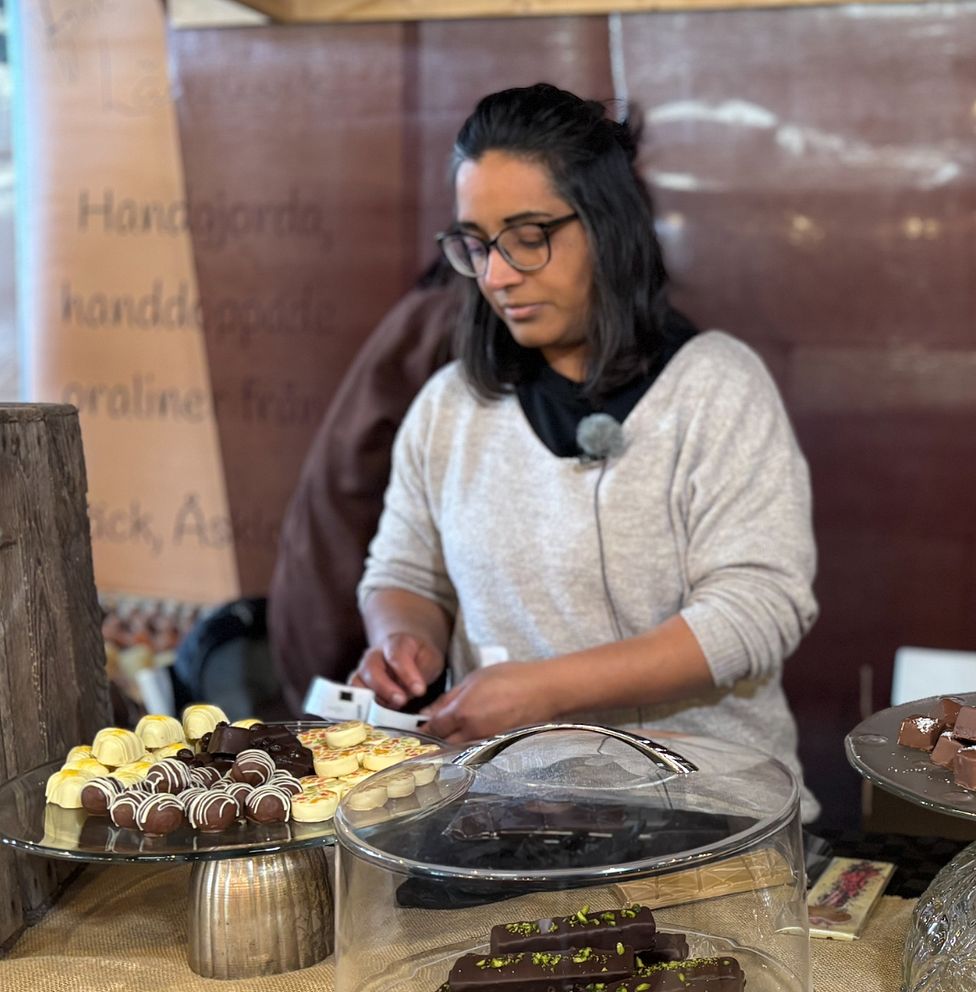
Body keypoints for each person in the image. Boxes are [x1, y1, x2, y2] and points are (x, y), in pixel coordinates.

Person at [354, 83, 820, 817]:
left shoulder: (715, 387)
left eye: (528, 236)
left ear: (607, 225)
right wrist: (402, 639)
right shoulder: (451, 406)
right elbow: (405, 573)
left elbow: (757, 608)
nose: (497, 274)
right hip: (503, 814)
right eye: (476, 244)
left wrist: (545, 691)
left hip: (706, 813)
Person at [268, 259, 459, 715]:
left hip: (341, 590)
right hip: (350, 601)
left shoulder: (430, 314)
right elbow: (404, 565)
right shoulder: (451, 331)